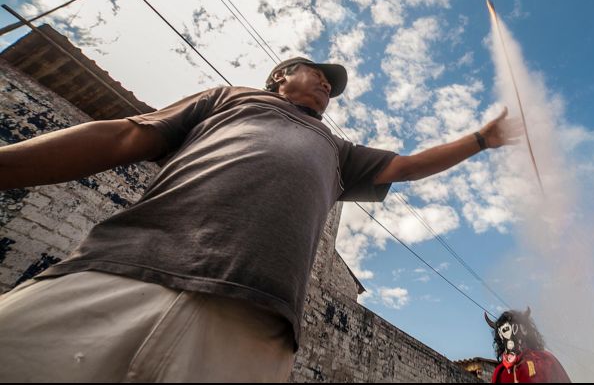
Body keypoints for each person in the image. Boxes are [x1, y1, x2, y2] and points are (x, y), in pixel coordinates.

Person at [0, 56, 522, 382]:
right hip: (120, 273)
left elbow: (407, 166)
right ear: (279, 77)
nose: (325, 84)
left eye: (330, 83)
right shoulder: (227, 98)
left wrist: (482, 139)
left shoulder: (338, 150)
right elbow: (125, 134)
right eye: (315, 74)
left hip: (253, 325)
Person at [484, 308, 571, 383]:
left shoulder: (545, 359)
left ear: (525, 330)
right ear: (500, 335)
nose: (513, 335)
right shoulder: (499, 372)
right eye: (505, 330)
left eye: (516, 328)